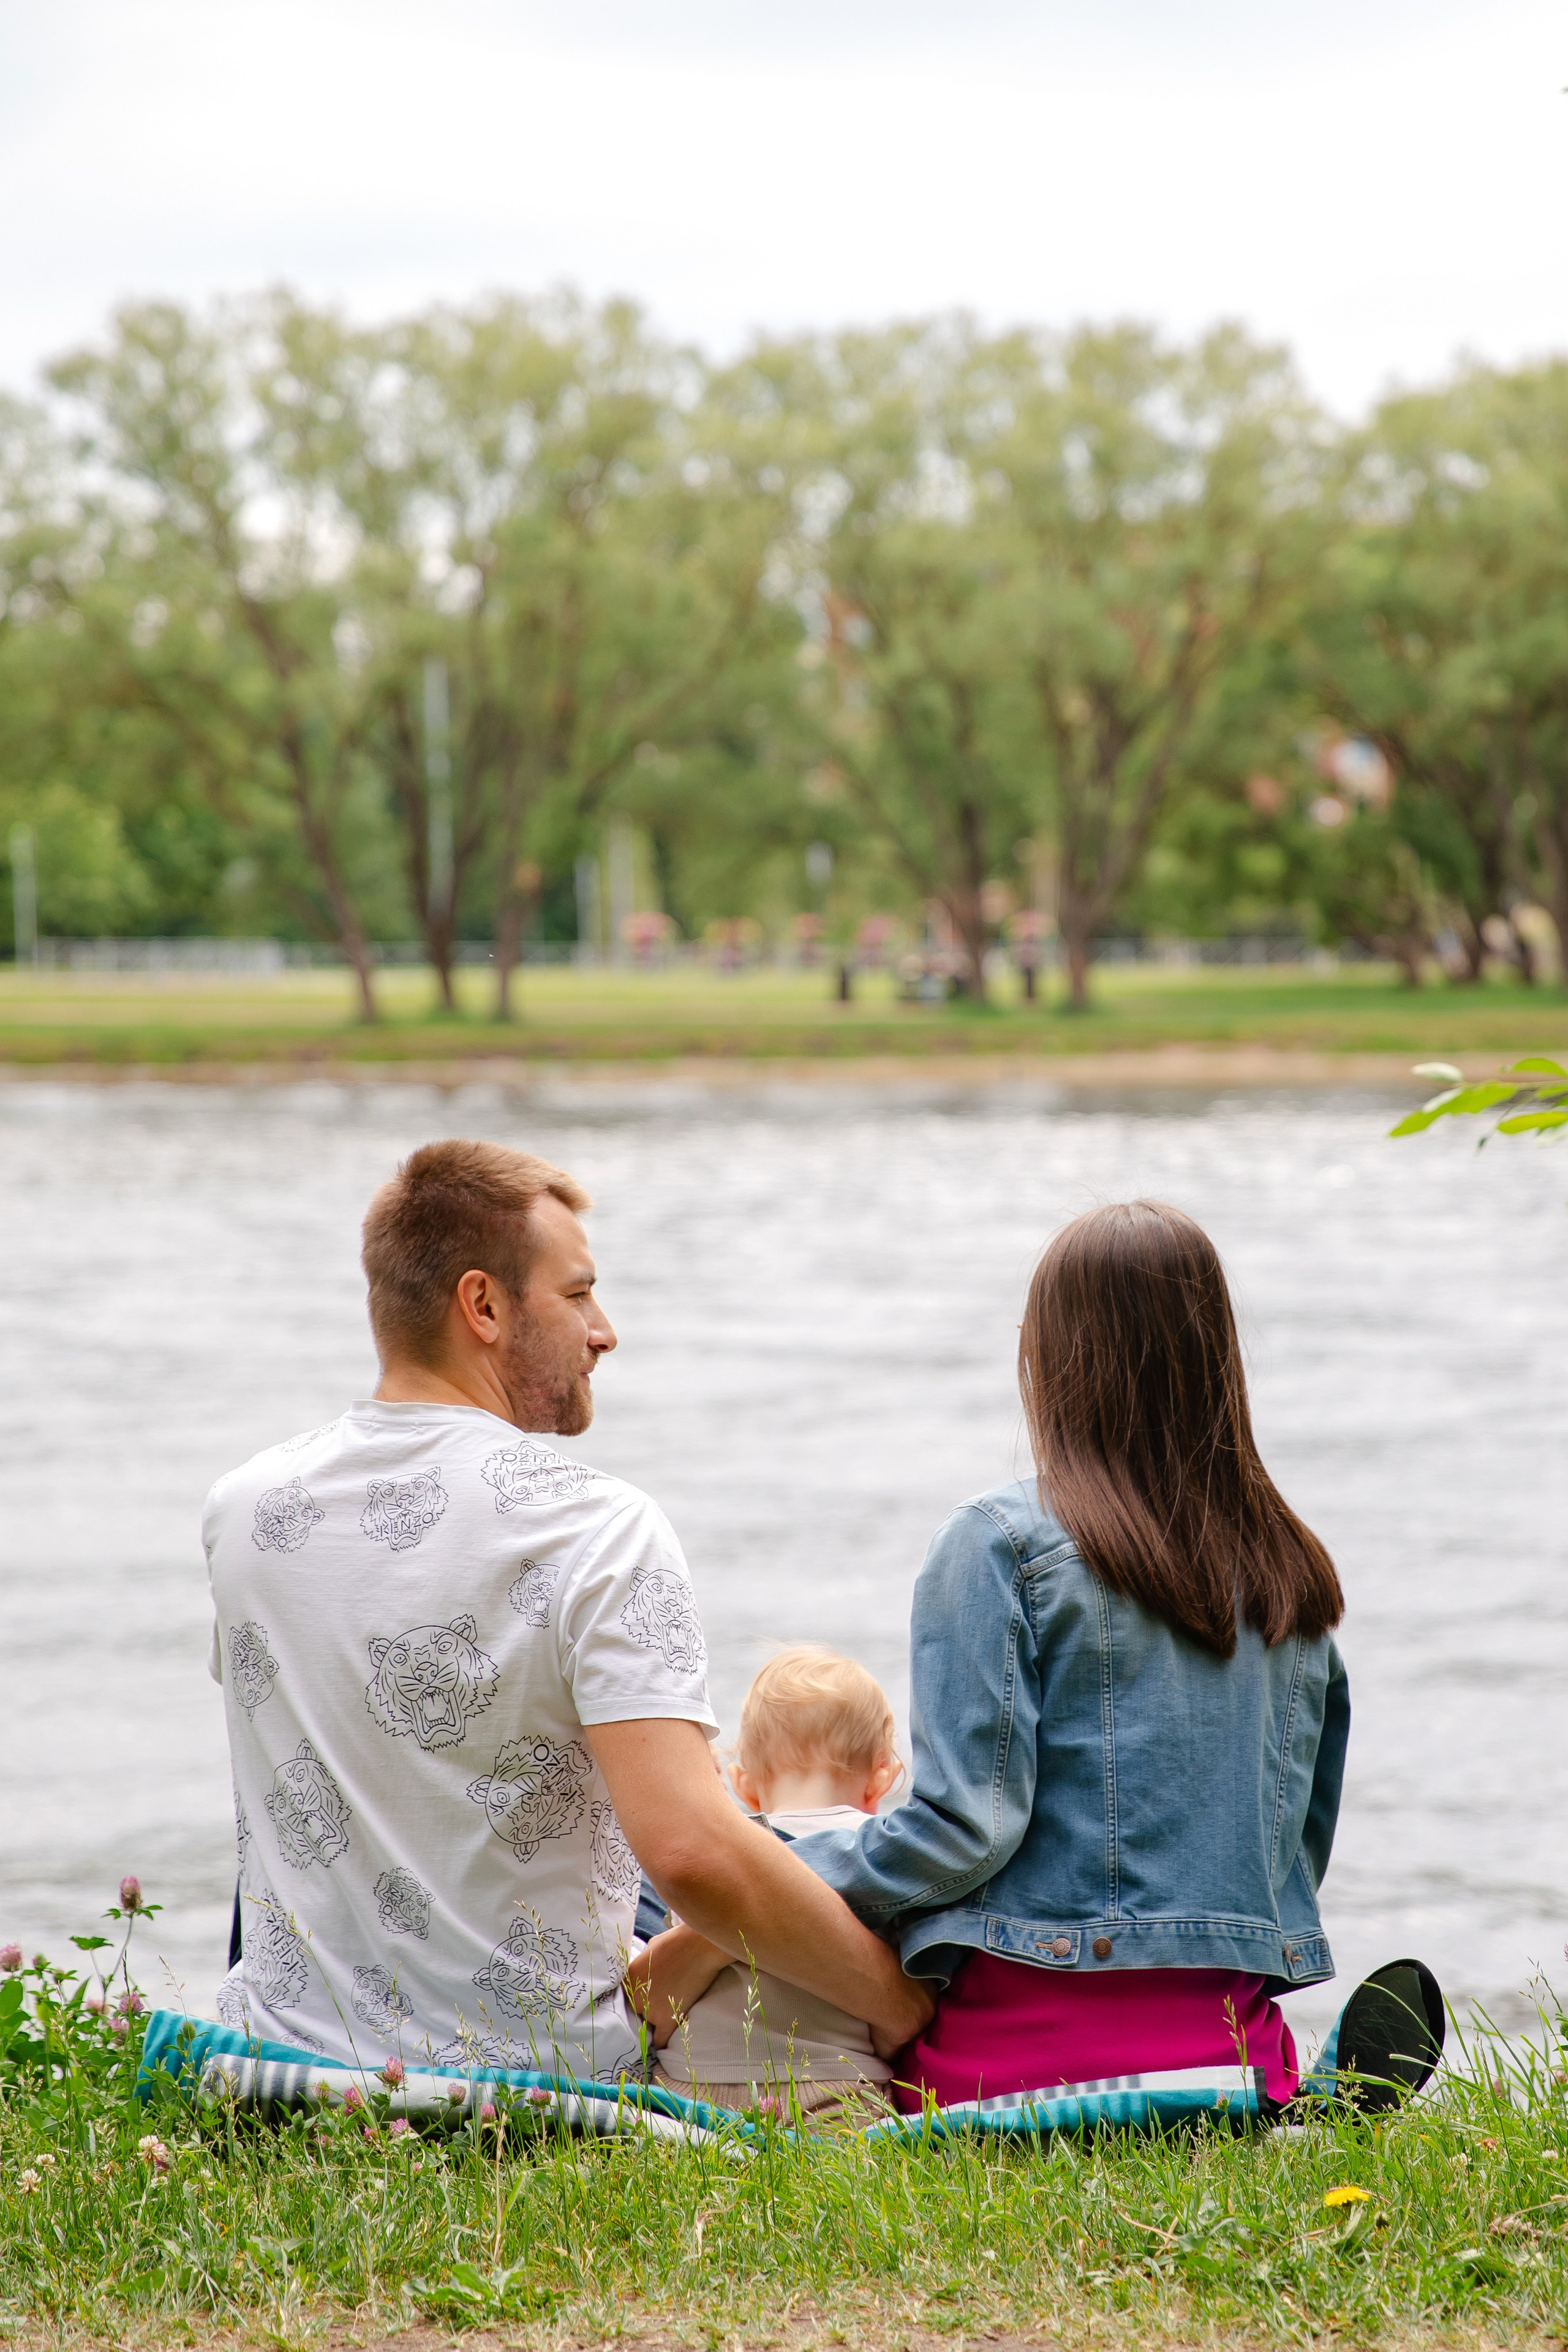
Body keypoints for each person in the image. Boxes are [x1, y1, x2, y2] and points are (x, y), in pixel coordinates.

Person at [204, 1139, 929, 2081]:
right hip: (531, 2080)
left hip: (283, 2069)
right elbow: (693, 1855)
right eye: (579, 1293)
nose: (606, 1330)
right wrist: (897, 2000)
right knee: (784, 1839)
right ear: (486, 1307)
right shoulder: (599, 1527)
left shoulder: (244, 1507)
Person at [641, 1199, 1349, 2111]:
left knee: (729, 1894)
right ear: (1217, 1357)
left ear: (1050, 1356)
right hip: (1231, 2051)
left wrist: (752, 1894)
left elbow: (964, 1833)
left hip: (1016, 2060)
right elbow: (1292, 1856)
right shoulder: (1292, 1572)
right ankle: (1305, 2084)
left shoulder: (999, 1544)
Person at [651, 1647, 902, 2119]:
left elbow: (660, 2007)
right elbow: (896, 2026)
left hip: (691, 2087)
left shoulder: (715, 1857)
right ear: (881, 1778)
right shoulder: (883, 1858)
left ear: (743, 1784)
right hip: (835, 2085)